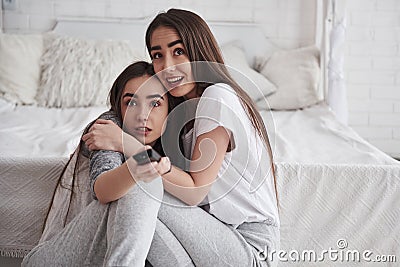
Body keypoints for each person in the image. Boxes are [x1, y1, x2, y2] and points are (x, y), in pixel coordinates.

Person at [86, 8, 280, 267]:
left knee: (143, 183)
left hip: (250, 247)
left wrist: (123, 141)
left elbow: (194, 193)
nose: (167, 66)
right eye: (158, 55)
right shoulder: (181, 111)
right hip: (210, 236)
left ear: (199, 50)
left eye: (179, 51)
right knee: (137, 197)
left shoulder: (218, 97)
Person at [22, 61, 175, 266]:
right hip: (55, 257)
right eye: (130, 103)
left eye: (155, 104)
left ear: (170, 109)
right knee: (147, 181)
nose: (142, 115)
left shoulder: (181, 136)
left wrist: (134, 149)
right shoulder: (108, 127)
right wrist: (140, 161)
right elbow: (102, 190)